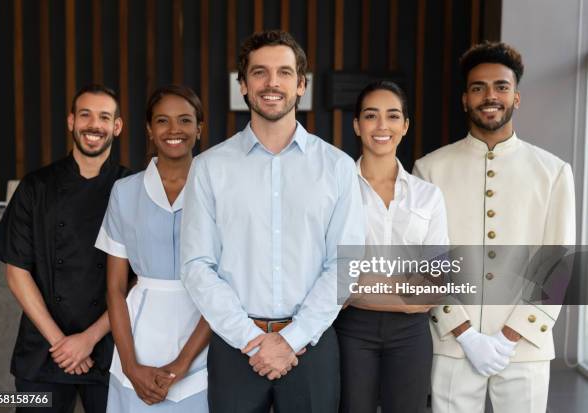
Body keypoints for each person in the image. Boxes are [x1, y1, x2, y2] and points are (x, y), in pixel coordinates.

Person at [180, 30, 365, 412]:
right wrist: (251, 339)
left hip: (311, 345)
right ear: (243, 85)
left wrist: (291, 338)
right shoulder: (209, 168)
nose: (272, 83)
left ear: (301, 85)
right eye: (260, 73)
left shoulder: (338, 168)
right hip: (235, 346)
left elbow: (345, 265)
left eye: (283, 73)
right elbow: (197, 265)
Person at [413, 42, 576, 413]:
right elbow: (425, 260)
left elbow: (559, 264)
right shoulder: (429, 169)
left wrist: (509, 336)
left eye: (501, 87)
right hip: (452, 344)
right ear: (464, 100)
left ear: (516, 98)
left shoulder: (553, 172)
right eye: (478, 88)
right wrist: (464, 332)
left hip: (526, 347)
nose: (490, 96)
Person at [0, 84, 131, 413]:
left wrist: (88, 339)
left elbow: (138, 280)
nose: (94, 125)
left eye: (104, 117)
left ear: (117, 126)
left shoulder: (132, 189)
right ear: (71, 122)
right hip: (43, 352)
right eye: (85, 115)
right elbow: (16, 271)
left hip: (111, 350)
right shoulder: (35, 187)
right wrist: (61, 344)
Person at [335, 80, 449, 413]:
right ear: (357, 125)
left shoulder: (428, 196)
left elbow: (434, 286)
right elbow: (329, 281)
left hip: (411, 334)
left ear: (405, 126)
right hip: (349, 331)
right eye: (371, 116)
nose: (382, 125)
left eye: (393, 116)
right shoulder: (336, 192)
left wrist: (356, 285)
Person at [95, 85, 210, 412]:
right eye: (163, 121)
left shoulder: (217, 190)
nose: (174, 130)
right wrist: (131, 366)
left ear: (199, 129)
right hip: (137, 337)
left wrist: (184, 362)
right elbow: (115, 289)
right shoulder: (124, 192)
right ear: (149, 129)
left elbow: (225, 286)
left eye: (185, 121)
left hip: (202, 333)